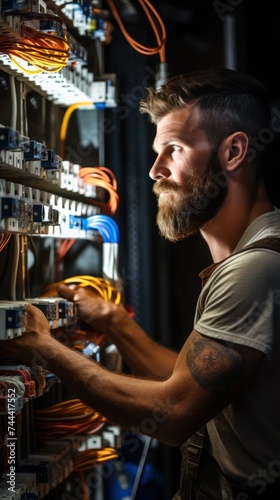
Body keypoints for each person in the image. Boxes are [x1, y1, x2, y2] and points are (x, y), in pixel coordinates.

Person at [1, 66, 280, 499]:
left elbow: (172, 413)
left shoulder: (256, 270)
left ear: (234, 152)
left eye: (175, 149)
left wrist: (42, 347)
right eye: (156, 151)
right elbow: (193, 381)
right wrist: (114, 322)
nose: (154, 170)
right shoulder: (249, 258)